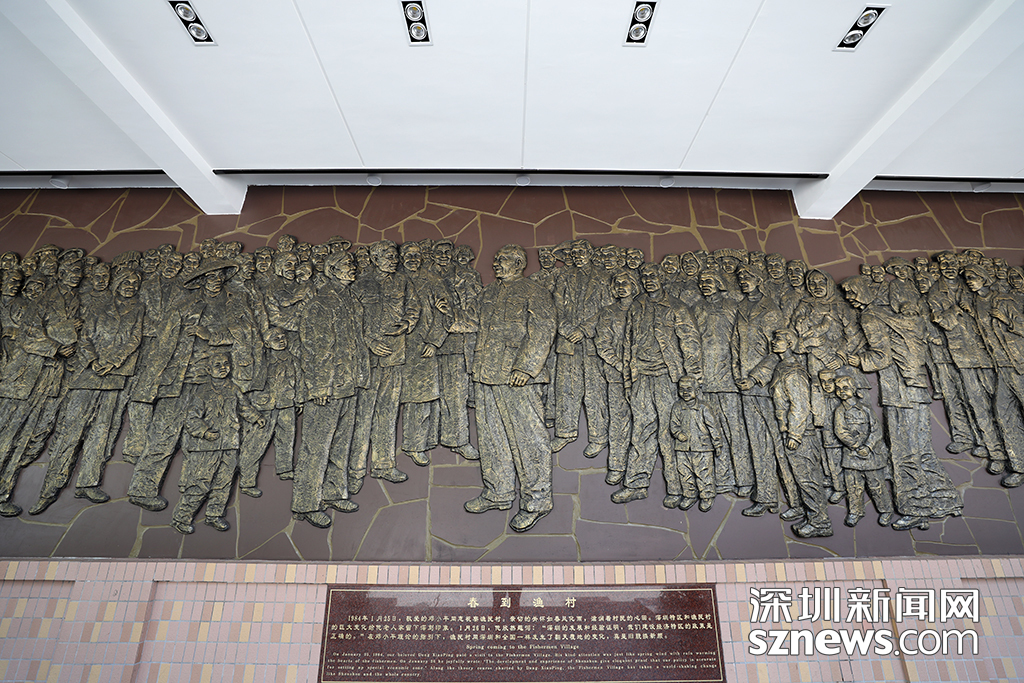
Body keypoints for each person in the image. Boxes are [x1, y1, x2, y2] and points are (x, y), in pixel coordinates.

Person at [459, 245, 556, 533]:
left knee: (529, 440)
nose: (495, 264)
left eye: (501, 260)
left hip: (518, 377)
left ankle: (537, 501)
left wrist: (525, 367)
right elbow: (471, 321)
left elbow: (543, 329)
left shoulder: (534, 291)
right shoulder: (488, 292)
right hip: (487, 373)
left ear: (518, 263)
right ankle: (498, 492)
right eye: (495, 260)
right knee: (492, 438)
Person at [170, 353, 265, 534]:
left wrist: (256, 417)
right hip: (206, 446)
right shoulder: (202, 392)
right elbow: (191, 418)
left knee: (224, 483)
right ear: (208, 369)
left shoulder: (233, 389)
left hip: (229, 444)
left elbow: (244, 407)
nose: (222, 368)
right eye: (217, 365)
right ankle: (181, 518)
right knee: (200, 483)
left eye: (226, 364)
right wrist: (204, 432)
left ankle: (214, 515)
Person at [669, 377, 722, 512]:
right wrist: (678, 434)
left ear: (697, 391)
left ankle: (707, 496)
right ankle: (689, 495)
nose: (685, 392)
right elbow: (674, 425)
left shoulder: (704, 407)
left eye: (689, 389)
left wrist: (717, 444)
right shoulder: (677, 406)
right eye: (682, 389)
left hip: (702, 447)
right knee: (684, 472)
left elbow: (713, 427)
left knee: (704, 472)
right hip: (683, 447)